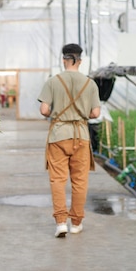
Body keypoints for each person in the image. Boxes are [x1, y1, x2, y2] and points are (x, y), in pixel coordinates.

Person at [38, 43, 100, 238]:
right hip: (81, 135)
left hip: (58, 135)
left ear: (64, 60)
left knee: (57, 180)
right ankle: (76, 223)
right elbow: (95, 112)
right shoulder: (90, 83)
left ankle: (60, 223)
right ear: (80, 61)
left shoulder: (53, 81)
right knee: (80, 181)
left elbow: (44, 110)